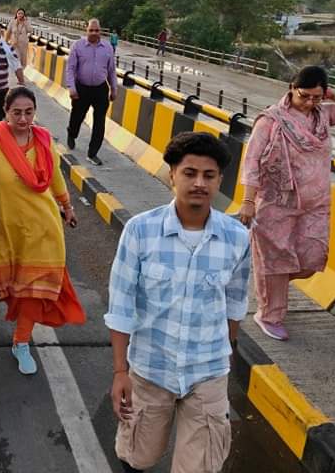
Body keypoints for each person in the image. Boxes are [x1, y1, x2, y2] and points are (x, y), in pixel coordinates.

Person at [106, 132, 250, 473]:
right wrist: (120, 372)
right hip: (151, 367)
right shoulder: (141, 231)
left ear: (220, 181)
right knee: (137, 455)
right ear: (172, 174)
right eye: (189, 173)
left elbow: (234, 303)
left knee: (200, 466)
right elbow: (122, 305)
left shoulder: (237, 237)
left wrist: (226, 353)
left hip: (208, 371)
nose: (199, 183)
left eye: (209, 175)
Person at [240, 65, 335, 342]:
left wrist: (332, 94)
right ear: (292, 88)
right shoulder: (271, 121)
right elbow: (252, 160)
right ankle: (269, 314)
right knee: (276, 261)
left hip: (316, 202)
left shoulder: (324, 115)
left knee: (312, 259)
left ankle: (267, 281)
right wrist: (248, 200)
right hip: (277, 201)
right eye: (305, 96)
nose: (310, 102)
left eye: (317, 97)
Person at [0, 87, 85, 375]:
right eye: (17, 112)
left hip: (42, 227)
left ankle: (21, 342)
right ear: (5, 112)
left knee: (33, 292)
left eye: (28, 112)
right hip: (5, 225)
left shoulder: (43, 139)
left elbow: (54, 177)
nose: (23, 118)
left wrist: (67, 206)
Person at [65, 18, 117, 166]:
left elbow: (111, 71)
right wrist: (71, 88)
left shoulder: (107, 48)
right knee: (77, 116)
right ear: (86, 30)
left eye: (97, 30)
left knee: (99, 122)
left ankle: (92, 153)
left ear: (100, 31)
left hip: (100, 89)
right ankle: (72, 132)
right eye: (91, 30)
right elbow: (70, 68)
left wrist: (114, 89)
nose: (94, 33)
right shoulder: (78, 46)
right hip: (82, 88)